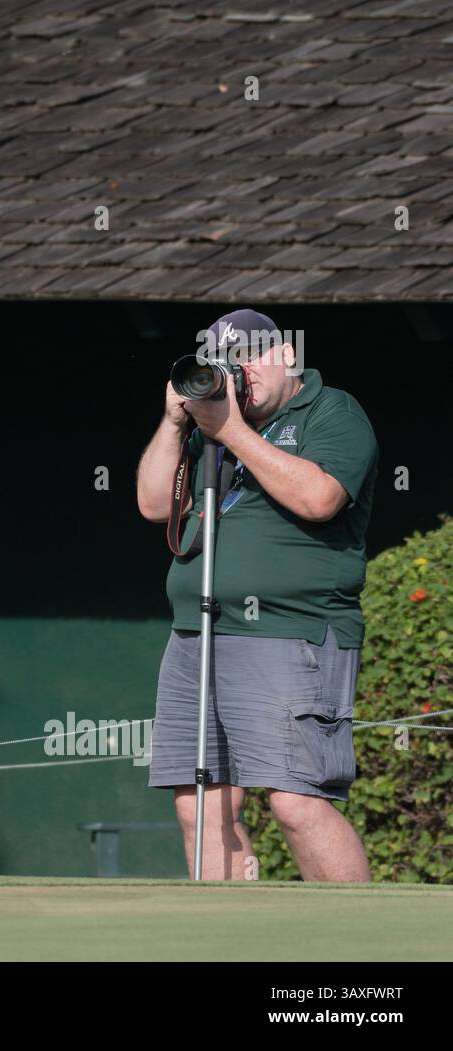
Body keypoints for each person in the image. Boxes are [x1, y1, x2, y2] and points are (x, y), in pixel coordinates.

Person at [136, 308, 377, 882]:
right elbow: (152, 505)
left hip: (290, 631)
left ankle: (361, 948)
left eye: (250, 355)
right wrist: (176, 424)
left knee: (297, 799)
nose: (238, 370)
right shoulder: (209, 427)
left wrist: (232, 432)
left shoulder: (332, 410)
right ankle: (234, 941)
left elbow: (321, 498)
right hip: (198, 632)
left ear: (287, 355)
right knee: (201, 801)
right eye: (225, 359)